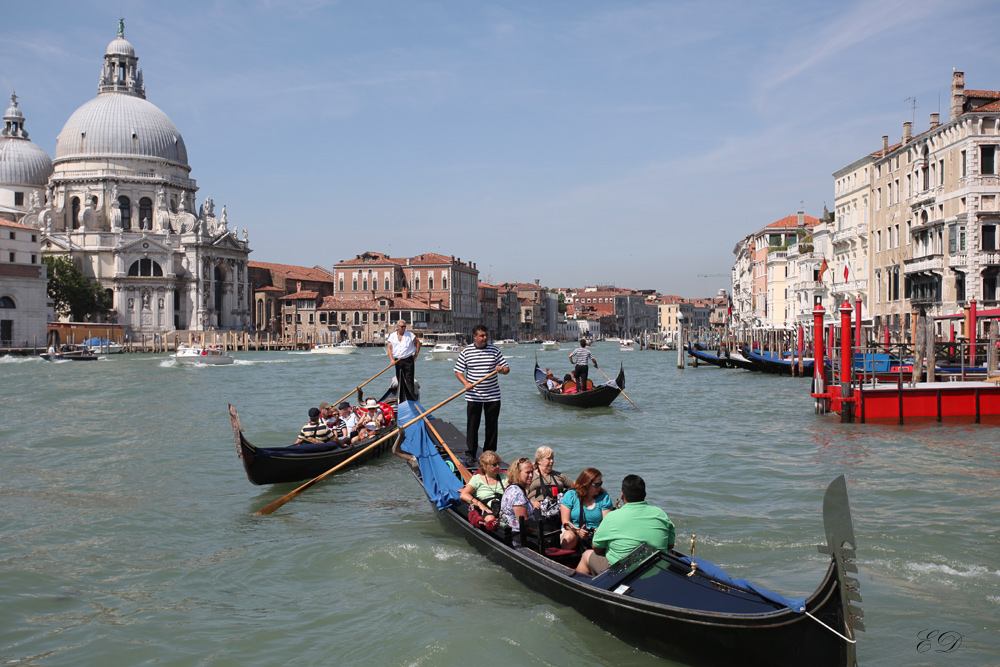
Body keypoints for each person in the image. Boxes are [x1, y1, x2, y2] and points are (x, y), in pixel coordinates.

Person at [576, 475, 675, 576]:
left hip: (623, 573)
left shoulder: (612, 517)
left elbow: (596, 548)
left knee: (586, 555)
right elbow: (670, 545)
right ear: (645, 494)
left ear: (622, 495)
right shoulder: (660, 514)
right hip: (656, 570)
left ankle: (579, 586)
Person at [454, 324, 510, 464]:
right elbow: (458, 371)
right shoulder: (466, 351)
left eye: (486, 336)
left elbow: (507, 369)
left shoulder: (494, 350)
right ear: (475, 337)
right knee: (473, 425)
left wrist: (501, 370)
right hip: (474, 395)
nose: (485, 338)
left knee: (492, 425)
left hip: (493, 395)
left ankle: (489, 453)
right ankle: (471, 453)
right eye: (482, 336)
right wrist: (466, 383)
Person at [560, 468, 614, 551]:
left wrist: (600, 530)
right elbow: (565, 522)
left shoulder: (604, 497)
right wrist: (578, 531)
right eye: (596, 485)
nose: (599, 487)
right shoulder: (570, 495)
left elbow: (606, 521)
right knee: (568, 538)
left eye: (600, 484)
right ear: (586, 484)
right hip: (573, 531)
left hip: (596, 533)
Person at [459, 451, 508, 521]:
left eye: (498, 463)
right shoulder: (477, 479)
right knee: (490, 519)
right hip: (486, 508)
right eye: (494, 465)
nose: (498, 466)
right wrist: (480, 504)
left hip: (504, 507)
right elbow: (463, 494)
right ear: (485, 466)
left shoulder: (504, 476)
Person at [526, 446, 574, 518]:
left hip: (558, 508)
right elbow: (522, 496)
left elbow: (577, 485)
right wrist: (532, 502)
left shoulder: (559, 476)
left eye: (552, 458)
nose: (552, 461)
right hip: (539, 509)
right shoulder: (531, 476)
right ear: (539, 460)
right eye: (549, 458)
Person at [500, 457, 541, 532]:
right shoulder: (517, 494)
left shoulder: (512, 487)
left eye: (532, 472)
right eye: (527, 472)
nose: (531, 475)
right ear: (518, 474)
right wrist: (541, 531)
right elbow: (525, 525)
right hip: (518, 534)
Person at [387, 320, 421, 402]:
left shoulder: (410, 335)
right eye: (402, 327)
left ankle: (411, 398)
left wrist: (416, 355)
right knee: (399, 378)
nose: (403, 328)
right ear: (398, 327)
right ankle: (401, 397)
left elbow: (418, 343)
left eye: (404, 327)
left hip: (408, 359)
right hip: (397, 360)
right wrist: (391, 360)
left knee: (409, 379)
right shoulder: (392, 336)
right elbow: (389, 348)